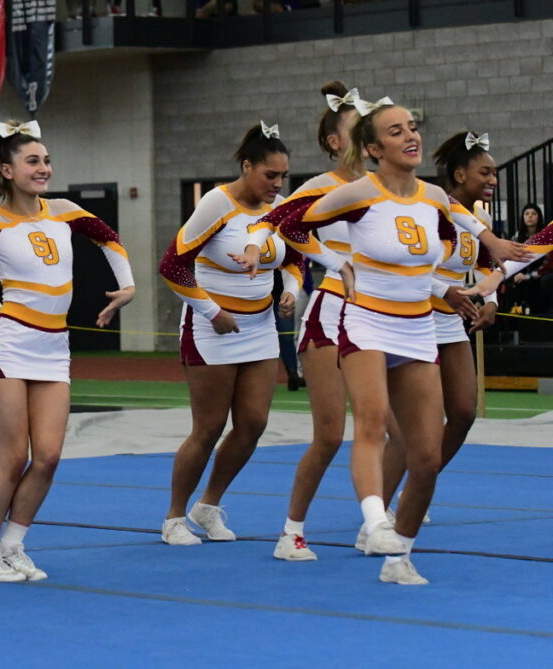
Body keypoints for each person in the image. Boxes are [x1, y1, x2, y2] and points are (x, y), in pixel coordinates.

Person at [277, 98, 529, 585]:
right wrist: (331, 264)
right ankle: (354, 524)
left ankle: (398, 556)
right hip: (357, 314)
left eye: (412, 127)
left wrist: (482, 258)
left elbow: (441, 240)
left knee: (425, 454)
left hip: (416, 322)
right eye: (395, 131)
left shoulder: (430, 196)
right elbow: (285, 222)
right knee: (354, 428)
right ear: (366, 146)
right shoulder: (343, 190)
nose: (411, 135)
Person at [0, 119, 135, 582]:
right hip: (10, 345)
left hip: (54, 348)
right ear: (7, 171)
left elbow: (109, 238)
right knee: (13, 458)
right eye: (33, 161)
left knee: (48, 457)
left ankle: (13, 545)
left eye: (46, 160)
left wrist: (127, 286)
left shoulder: (66, 211)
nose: (43, 168)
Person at [236, 82, 366, 561]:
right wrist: (261, 250)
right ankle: (291, 531)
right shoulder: (319, 188)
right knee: (330, 435)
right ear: (334, 141)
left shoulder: (387, 188)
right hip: (331, 313)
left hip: (380, 316)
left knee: (392, 429)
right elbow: (275, 223)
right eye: (357, 128)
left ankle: (378, 518)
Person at [158, 121, 301, 546]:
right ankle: (174, 517)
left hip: (260, 327)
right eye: (270, 175)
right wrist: (211, 310)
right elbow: (172, 266)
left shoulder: (280, 208)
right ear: (247, 166)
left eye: (283, 176)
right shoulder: (216, 204)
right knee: (209, 427)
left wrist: (290, 291)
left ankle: (209, 504)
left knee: (254, 423)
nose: (277, 184)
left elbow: (296, 258)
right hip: (211, 327)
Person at [378, 131, 501, 522]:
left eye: (494, 172)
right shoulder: (429, 208)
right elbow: (405, 265)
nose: (493, 179)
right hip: (415, 318)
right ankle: (377, 513)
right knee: (416, 425)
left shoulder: (480, 219)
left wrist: (491, 302)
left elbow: (486, 265)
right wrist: (444, 290)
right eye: (485, 172)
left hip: (450, 322)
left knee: (463, 413)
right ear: (460, 175)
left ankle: (417, 487)